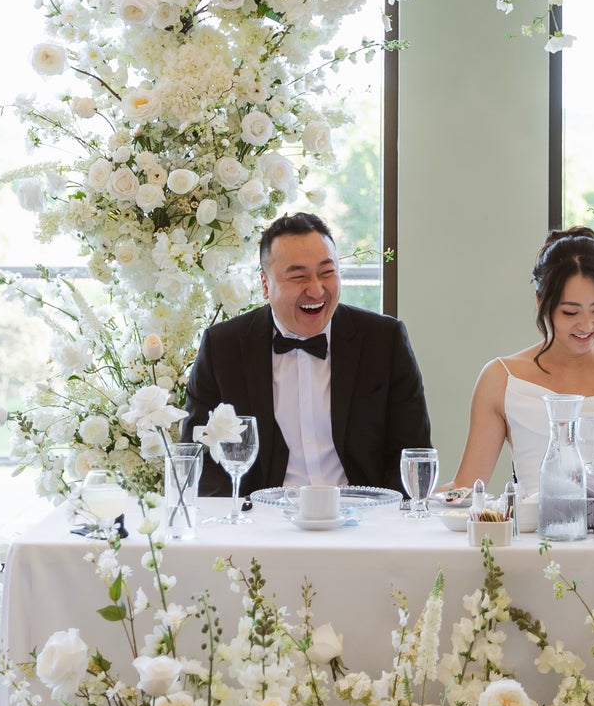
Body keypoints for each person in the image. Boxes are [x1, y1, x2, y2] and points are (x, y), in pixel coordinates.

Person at [182, 211, 432, 496]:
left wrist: (379, 522)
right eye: (298, 277)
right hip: (262, 524)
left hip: (362, 521)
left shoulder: (384, 340)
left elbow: (413, 452)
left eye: (327, 272)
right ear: (265, 285)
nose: (316, 290)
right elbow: (198, 456)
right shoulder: (223, 346)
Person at [448, 227, 594, 496]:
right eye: (570, 312)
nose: (586, 325)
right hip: (532, 534)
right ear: (540, 301)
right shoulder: (501, 378)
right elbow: (467, 488)